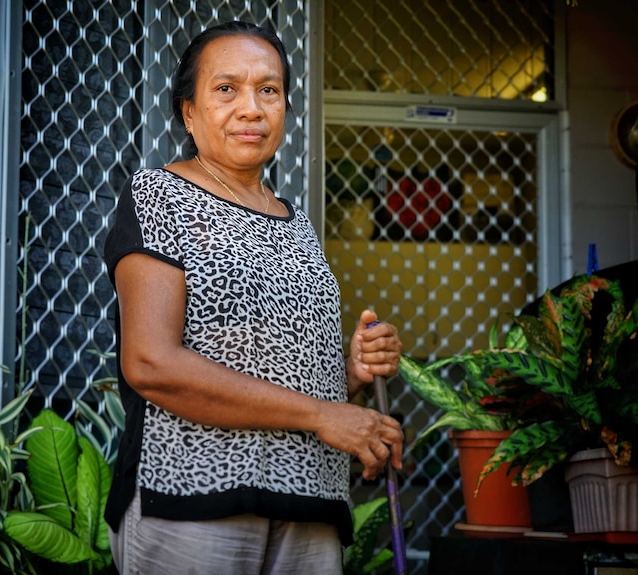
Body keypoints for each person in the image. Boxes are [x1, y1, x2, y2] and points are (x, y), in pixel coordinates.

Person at [103, 21, 404, 574]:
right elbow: (151, 363)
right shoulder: (159, 196)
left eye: (269, 90)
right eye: (226, 89)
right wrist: (321, 414)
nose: (251, 107)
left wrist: (352, 373)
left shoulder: (296, 223)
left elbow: (286, 371)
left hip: (310, 504)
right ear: (189, 111)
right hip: (194, 503)